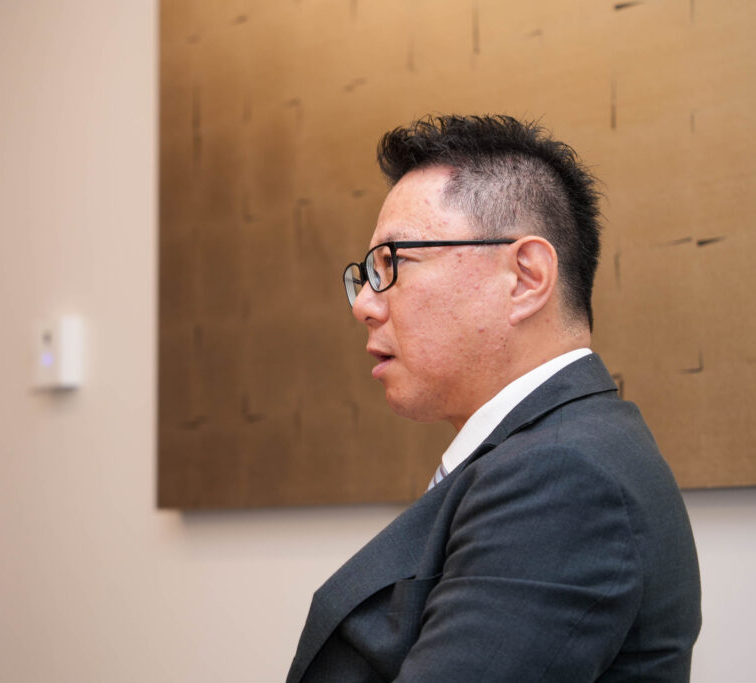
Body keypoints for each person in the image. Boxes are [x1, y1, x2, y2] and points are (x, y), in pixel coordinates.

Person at [287, 115, 701, 682]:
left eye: (393, 263)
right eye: (368, 273)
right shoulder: (547, 453)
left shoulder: (562, 477)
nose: (364, 304)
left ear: (525, 277)